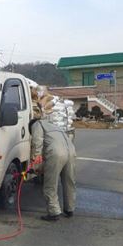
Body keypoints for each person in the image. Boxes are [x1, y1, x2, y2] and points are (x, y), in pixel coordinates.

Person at [31, 93, 77, 222]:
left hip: (57, 153)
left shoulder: (37, 125)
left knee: (50, 184)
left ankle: (53, 212)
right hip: (71, 151)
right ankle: (69, 209)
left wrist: (35, 165)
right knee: (69, 182)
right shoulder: (53, 125)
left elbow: (37, 143)